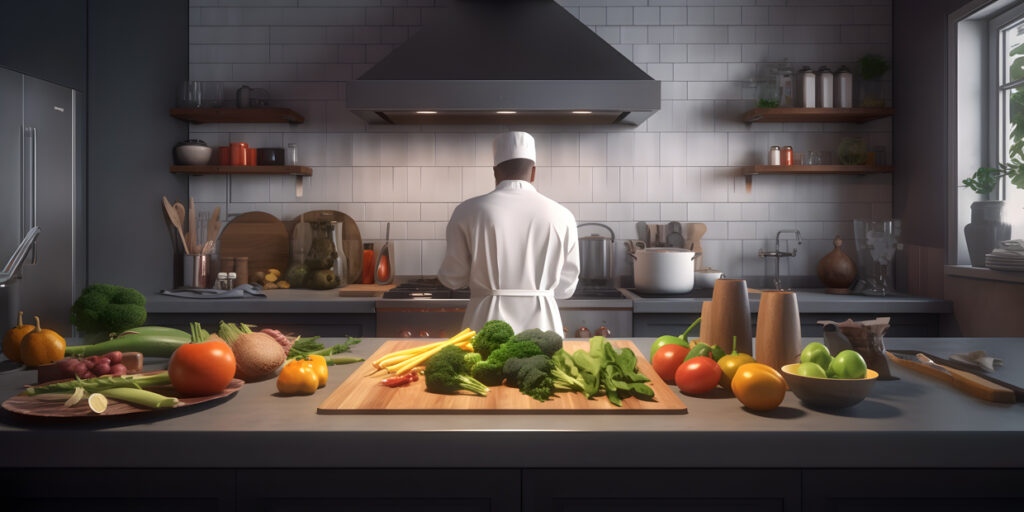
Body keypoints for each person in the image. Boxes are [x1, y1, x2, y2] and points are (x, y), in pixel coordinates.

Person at [438, 131, 580, 335]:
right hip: (544, 327)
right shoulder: (563, 215)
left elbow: (452, 278)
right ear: (533, 173)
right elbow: (566, 289)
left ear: (495, 172)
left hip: (486, 323)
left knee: (484, 367)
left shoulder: (466, 211)